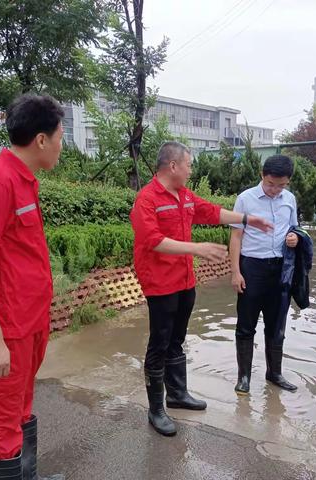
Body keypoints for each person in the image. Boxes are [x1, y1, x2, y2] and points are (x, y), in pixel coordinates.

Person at [130, 141, 272, 436]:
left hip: (184, 280)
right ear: (173, 166)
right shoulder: (147, 199)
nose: (191, 169)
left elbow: (211, 212)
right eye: (189, 164)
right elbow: (152, 240)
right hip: (160, 283)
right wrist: (197, 248)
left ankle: (177, 395)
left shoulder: (183, 195)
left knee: (177, 340)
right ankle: (156, 409)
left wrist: (248, 219)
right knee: (160, 342)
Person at [0, 94, 65, 480]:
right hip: (7, 331)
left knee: (19, 410)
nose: (60, 145)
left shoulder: (23, 181)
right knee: (1, 425)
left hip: (29, 326)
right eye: (59, 136)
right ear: (41, 140)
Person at [230, 155, 299, 396]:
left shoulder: (289, 199)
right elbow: (236, 237)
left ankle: (274, 373)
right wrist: (236, 272)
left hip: (280, 270)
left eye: (281, 185)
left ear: (287, 182)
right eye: (271, 184)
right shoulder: (245, 199)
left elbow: (294, 229)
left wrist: (295, 238)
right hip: (252, 268)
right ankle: (244, 377)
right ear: (262, 175)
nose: (275, 189)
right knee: (246, 325)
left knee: (276, 325)